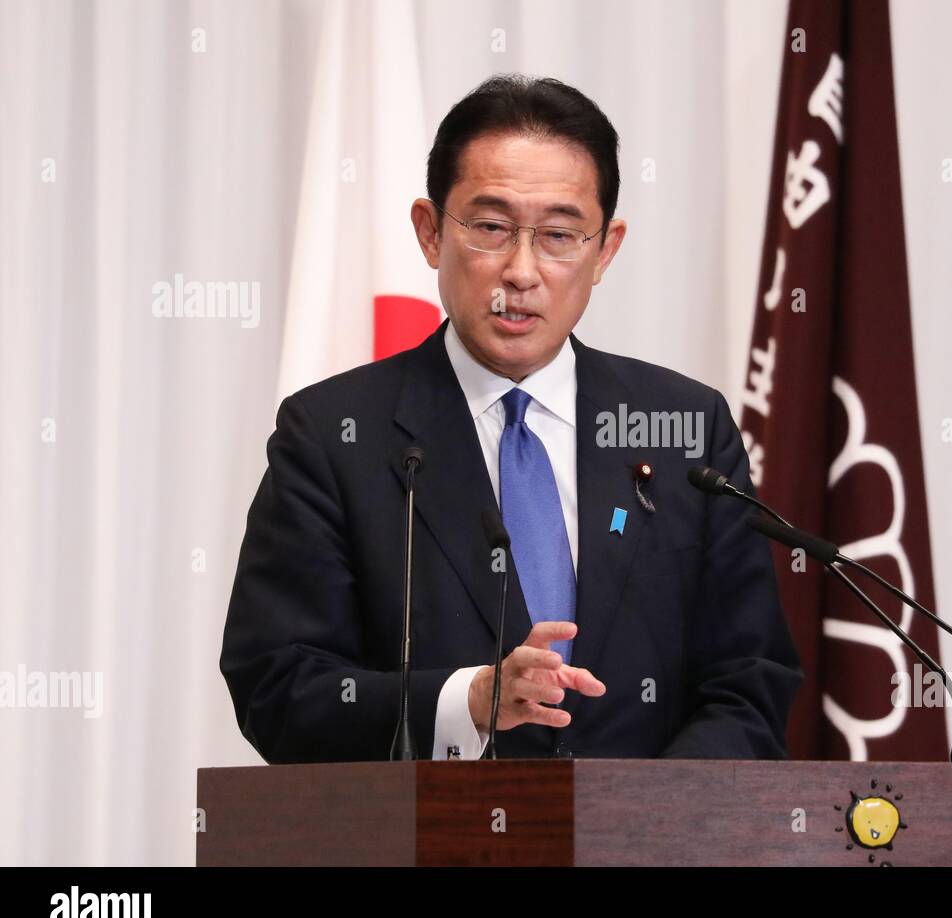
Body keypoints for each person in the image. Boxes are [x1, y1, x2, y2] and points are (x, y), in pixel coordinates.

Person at [220, 74, 801, 762]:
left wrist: (645, 826)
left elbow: (749, 682)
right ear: (431, 233)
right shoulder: (332, 436)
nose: (522, 271)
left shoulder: (686, 428)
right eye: (491, 227)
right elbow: (277, 686)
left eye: (559, 234)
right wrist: (465, 702)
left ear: (605, 249)